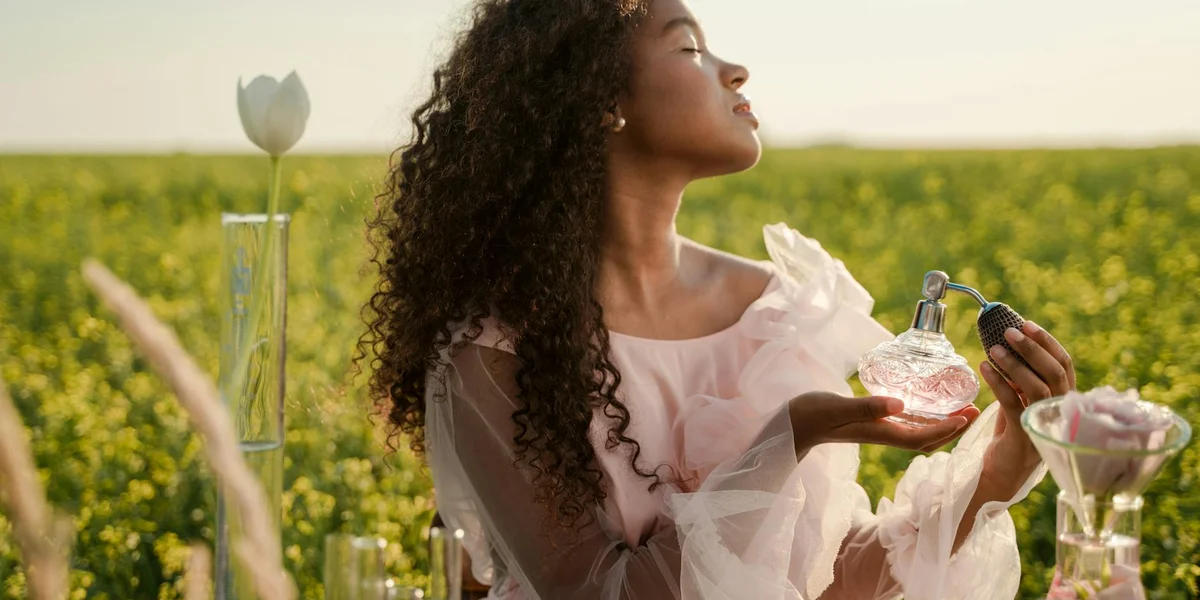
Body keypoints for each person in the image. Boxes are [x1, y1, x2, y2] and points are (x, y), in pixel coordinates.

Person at [358, 0, 1075, 597]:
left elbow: (825, 583)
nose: (734, 69)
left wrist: (1004, 466)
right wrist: (787, 438)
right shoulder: (493, 349)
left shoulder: (779, 309)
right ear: (602, 99)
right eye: (689, 48)